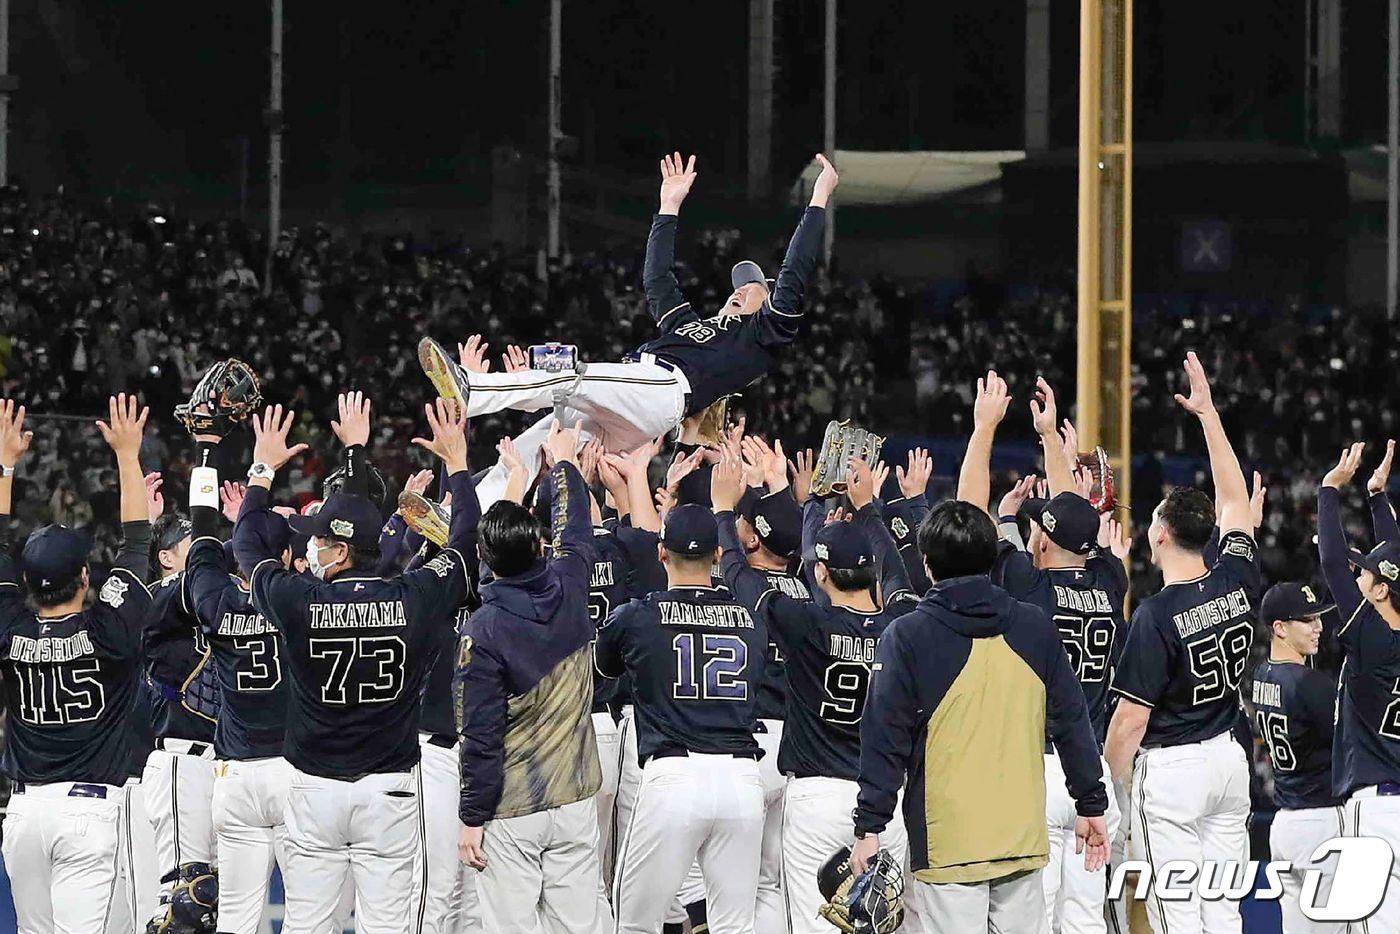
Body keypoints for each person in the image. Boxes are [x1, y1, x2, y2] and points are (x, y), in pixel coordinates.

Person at [416, 152, 839, 507]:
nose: (742, 289)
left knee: (571, 376)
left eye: (754, 287)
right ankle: (462, 515)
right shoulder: (693, 328)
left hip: (664, 390)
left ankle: (474, 389)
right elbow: (657, 281)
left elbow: (794, 273)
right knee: (540, 440)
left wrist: (818, 199)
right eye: (739, 285)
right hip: (637, 408)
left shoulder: (761, 337)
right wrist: (668, 208)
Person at [231, 397, 477, 933]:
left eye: (320, 538)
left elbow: (246, 542)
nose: (312, 544)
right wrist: (458, 466)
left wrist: (261, 470)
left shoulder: (299, 599)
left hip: (315, 789)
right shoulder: (414, 595)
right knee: (386, 925)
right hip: (389, 791)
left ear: (340, 553)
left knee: (307, 923)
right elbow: (463, 546)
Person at [851, 493, 1110, 932]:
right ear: (992, 558)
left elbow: (883, 740)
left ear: (927, 564)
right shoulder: (1034, 627)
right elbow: (1072, 722)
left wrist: (869, 827)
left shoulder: (908, 635)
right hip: (1020, 839)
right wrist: (1090, 802)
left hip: (948, 845)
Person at [715, 450, 916, 934]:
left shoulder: (808, 623)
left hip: (818, 798)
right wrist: (868, 510)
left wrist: (723, 513)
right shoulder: (902, 624)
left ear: (821, 574)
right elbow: (897, 572)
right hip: (886, 799)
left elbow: (742, 580)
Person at [957, 374, 1127, 934]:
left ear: (1045, 541)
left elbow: (969, 517)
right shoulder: (1112, 580)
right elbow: (1077, 517)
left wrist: (986, 431)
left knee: (1027, 921)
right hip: (1090, 771)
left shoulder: (1028, 590)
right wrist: (1051, 437)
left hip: (1033, 770)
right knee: (1084, 920)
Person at [1104, 352, 1260, 934]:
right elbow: (1236, 501)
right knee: (1223, 914)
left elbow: (1130, 723)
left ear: (1162, 535)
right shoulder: (1238, 576)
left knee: (1177, 918)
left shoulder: (1155, 615)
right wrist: (1209, 415)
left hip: (1173, 770)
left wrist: (1102, 790)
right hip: (1229, 760)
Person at [0, 395, 154, 933]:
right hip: (89, 813)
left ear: (24, 583)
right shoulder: (109, 631)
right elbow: (137, 541)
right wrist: (128, 455)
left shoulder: (10, 627)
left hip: (22, 815)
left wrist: (5, 465)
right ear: (86, 579)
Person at [455, 419, 612, 934]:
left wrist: (472, 816)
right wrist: (564, 462)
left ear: (486, 560)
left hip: (514, 806)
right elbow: (576, 529)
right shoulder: (569, 585)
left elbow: (479, 735)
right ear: (540, 549)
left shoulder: (484, 628)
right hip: (575, 797)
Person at [597, 503, 768, 934]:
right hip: (742, 781)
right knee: (735, 927)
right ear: (717, 555)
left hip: (675, 777)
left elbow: (605, 667)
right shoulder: (751, 618)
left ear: (661, 553)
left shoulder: (637, 615)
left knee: (635, 924)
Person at [174, 411, 295, 934]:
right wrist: (263, 475)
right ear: (287, 556)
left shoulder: (214, 596)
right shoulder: (301, 600)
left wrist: (207, 447)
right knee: (311, 914)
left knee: (236, 919)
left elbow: (201, 524)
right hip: (295, 772)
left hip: (235, 777)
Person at [1315, 439, 1400, 933]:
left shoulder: (1373, 640)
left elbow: (1331, 561)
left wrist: (1330, 490)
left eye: (1367, 574)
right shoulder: (1386, 633)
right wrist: (1377, 499)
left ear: (1383, 590)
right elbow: (1394, 562)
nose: (1359, 575)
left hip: (1376, 812)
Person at [1249, 582, 1345, 934]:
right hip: (1321, 821)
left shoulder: (1261, 675)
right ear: (1279, 628)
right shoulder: (1310, 684)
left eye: (1317, 618)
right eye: (1307, 620)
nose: (1318, 627)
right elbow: (1350, 744)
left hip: (1285, 825)